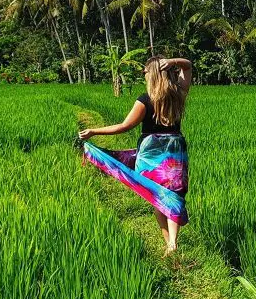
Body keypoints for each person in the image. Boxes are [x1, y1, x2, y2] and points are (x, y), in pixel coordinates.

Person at [79, 56, 192, 257]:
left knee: (157, 195)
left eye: (146, 71)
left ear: (153, 74)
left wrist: (93, 131)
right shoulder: (178, 93)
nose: (144, 75)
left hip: (151, 153)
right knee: (173, 194)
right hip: (175, 149)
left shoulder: (145, 100)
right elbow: (188, 66)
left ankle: (170, 244)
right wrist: (174, 61)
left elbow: (125, 126)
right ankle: (172, 243)